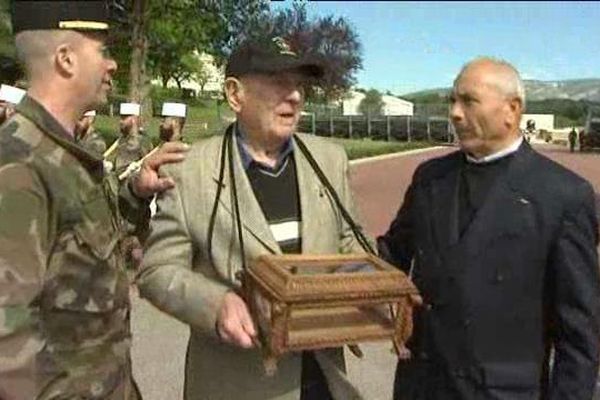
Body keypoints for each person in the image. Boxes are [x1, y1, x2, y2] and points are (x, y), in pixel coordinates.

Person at [137, 38, 369, 400]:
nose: (294, 96)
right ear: (235, 94)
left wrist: (366, 282)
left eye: (299, 85)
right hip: (237, 384)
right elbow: (157, 271)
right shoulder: (188, 171)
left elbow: (352, 246)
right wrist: (215, 304)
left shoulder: (330, 160)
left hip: (321, 379)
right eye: (279, 82)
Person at [378, 57, 600, 400]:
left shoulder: (564, 195)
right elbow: (389, 255)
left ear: (512, 109)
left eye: (468, 101)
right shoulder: (430, 178)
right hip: (422, 386)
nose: (454, 112)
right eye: (452, 100)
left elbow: (579, 332)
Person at [0, 2, 188, 398]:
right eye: (102, 50)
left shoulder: (65, 154)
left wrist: (134, 193)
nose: (113, 64)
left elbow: (84, 244)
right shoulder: (18, 164)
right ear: (66, 60)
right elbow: (8, 347)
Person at [106, 102, 154, 177]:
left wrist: (137, 170)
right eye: (121, 118)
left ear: (134, 119)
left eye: (124, 118)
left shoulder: (143, 142)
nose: (120, 121)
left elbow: (148, 164)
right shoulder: (121, 140)